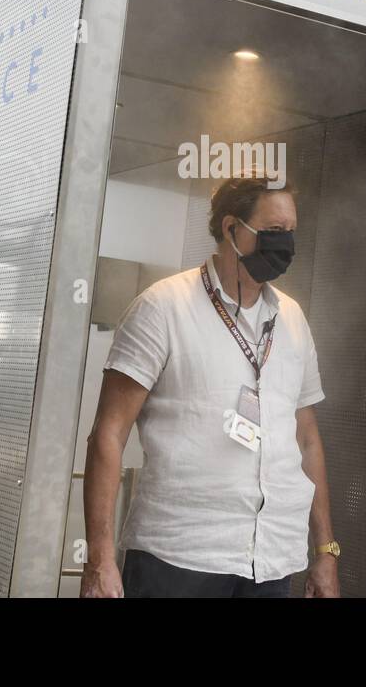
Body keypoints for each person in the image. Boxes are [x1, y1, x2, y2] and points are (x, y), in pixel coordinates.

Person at [80, 172, 339, 598]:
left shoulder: (292, 319)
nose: (285, 244)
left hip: (270, 558)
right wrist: (100, 559)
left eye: (290, 233)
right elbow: (107, 435)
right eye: (273, 232)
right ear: (231, 228)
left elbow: (307, 440)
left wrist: (325, 551)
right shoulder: (162, 308)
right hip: (179, 555)